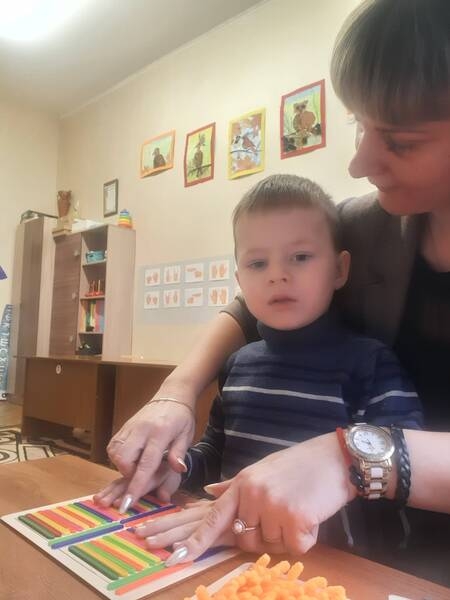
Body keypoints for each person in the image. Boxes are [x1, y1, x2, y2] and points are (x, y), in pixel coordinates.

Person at [100, 0, 450, 584]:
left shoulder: (366, 363)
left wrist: (351, 457)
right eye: (360, 126)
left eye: (403, 141)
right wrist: (178, 393)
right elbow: (249, 309)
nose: (360, 163)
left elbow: (387, 450)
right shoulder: (368, 224)